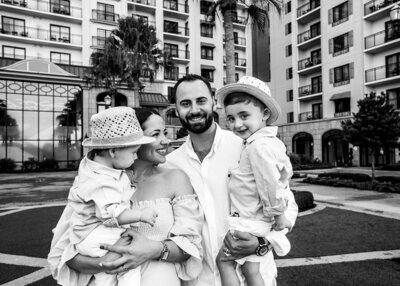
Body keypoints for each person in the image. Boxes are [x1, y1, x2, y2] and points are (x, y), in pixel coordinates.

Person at [65, 74, 298, 286]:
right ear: (176, 109)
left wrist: (261, 244)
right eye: (185, 104)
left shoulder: (246, 147)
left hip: (253, 275)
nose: (194, 109)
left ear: (213, 103)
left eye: (201, 101)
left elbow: (286, 201)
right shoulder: (169, 163)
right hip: (199, 281)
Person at [48, 107, 204, 286]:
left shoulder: (176, 178)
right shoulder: (97, 185)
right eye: (155, 134)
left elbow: (191, 247)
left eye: (165, 133)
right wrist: (106, 262)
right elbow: (67, 250)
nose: (165, 141)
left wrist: (152, 250)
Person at [51, 106, 157, 286]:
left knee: (113, 268)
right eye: (133, 152)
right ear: (113, 151)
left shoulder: (95, 168)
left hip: (87, 234)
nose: (135, 157)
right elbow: (112, 214)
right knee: (125, 258)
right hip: (93, 234)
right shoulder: (102, 182)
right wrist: (141, 215)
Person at [215, 76, 293, 286]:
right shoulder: (266, 143)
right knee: (251, 270)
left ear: (265, 114)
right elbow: (282, 176)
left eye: (244, 116)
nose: (237, 124)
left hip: (249, 221)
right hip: (256, 220)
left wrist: (279, 216)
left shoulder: (257, 147)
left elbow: (271, 185)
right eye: (231, 119)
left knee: (224, 261)